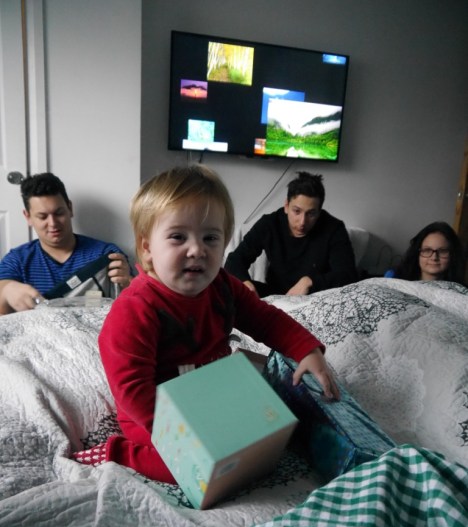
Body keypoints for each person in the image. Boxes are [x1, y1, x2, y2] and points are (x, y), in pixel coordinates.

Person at [72, 164, 340, 481]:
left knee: (271, 435)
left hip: (211, 393)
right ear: (147, 248)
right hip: (157, 413)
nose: (197, 250)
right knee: (189, 470)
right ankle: (118, 453)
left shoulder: (223, 286)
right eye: (178, 237)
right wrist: (183, 435)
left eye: (211, 238)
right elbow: (132, 390)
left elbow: (266, 319)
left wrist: (307, 349)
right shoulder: (135, 309)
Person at [0, 172, 132, 314]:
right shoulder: (17, 261)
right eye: (42, 217)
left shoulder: (106, 254)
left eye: (59, 213)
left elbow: (135, 303)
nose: (53, 223)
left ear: (70, 208)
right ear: (28, 217)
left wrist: (129, 283)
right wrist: (7, 290)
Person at [224, 171, 358, 296]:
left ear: (319, 212)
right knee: (228, 287)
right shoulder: (269, 224)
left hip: (315, 296)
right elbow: (234, 261)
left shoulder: (334, 229)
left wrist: (309, 282)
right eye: (297, 211)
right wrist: (246, 285)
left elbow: (347, 274)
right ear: (286, 206)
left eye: (311, 214)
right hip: (276, 294)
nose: (302, 222)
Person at [384, 221, 465, 284]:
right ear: (417, 253)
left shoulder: (460, 291)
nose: (434, 257)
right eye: (427, 250)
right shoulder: (393, 277)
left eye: (442, 251)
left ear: (453, 254)